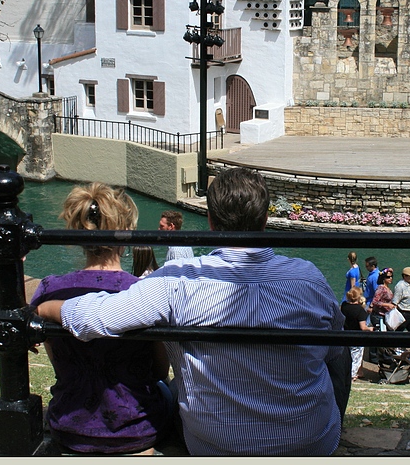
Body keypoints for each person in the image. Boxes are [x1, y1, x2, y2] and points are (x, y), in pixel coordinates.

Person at [36, 167, 349, 456]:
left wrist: (43, 307)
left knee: (174, 388)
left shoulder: (178, 279)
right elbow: (337, 354)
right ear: (264, 219)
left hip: (216, 447)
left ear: (211, 222)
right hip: (313, 443)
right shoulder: (310, 279)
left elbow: (93, 318)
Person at [30, 182, 170, 454]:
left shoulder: (49, 290)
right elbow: (159, 371)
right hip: (136, 428)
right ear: (127, 232)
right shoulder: (145, 291)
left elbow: (60, 365)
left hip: (69, 423)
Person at [341, 286, 373, 381]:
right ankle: (352, 375)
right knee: (356, 358)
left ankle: (346, 373)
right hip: (356, 337)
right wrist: (370, 329)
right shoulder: (360, 310)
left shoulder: (344, 306)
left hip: (345, 336)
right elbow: (363, 327)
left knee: (346, 357)